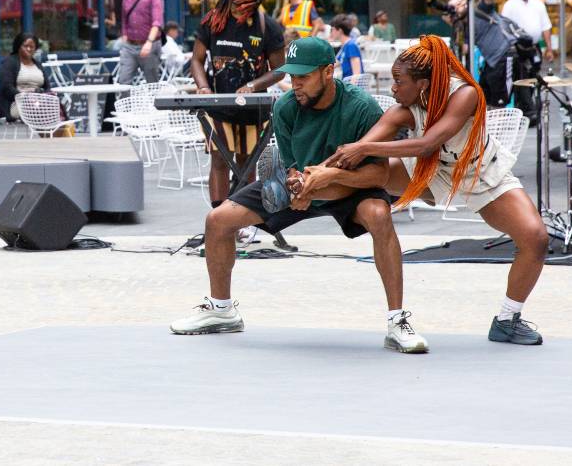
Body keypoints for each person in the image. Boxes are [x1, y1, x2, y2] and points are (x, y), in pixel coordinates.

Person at [170, 35, 427, 354]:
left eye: (303, 76)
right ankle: (222, 311)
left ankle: (396, 322)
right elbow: (289, 165)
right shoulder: (286, 106)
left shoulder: (362, 107)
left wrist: (328, 178)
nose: (296, 84)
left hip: (348, 186)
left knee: (379, 215)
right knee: (218, 220)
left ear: (328, 71)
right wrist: (297, 187)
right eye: (292, 76)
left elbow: (380, 174)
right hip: (301, 181)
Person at [328, 36, 550, 345]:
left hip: (478, 173)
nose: (393, 88)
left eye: (398, 81)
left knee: (536, 238)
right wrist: (321, 170)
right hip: (430, 171)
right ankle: (305, 190)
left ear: (422, 84)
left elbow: (426, 143)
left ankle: (507, 320)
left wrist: (363, 146)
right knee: (365, 174)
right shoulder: (404, 109)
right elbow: (359, 150)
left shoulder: (465, 93)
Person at [191, 0, 287, 206]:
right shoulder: (214, 20)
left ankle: (239, 218)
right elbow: (196, 60)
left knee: (246, 162)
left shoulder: (268, 26)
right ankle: (218, 215)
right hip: (218, 106)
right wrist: (203, 87)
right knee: (220, 159)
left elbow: (280, 68)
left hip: (252, 108)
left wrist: (253, 85)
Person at [470, 0, 525, 108]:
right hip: (491, 61)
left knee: (501, 99)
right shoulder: (463, 22)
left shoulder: (480, 10)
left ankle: (505, 123)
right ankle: (492, 123)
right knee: (485, 97)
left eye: (458, 4)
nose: (455, 9)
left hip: (505, 55)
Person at [114, 0, 164, 85]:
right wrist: (125, 36)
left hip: (149, 44)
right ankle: (125, 104)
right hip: (129, 46)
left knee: (152, 82)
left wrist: (149, 42)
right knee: (123, 81)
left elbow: (157, 23)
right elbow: (125, 21)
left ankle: (153, 105)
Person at [0, 31, 51, 120]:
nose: (29, 49)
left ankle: (55, 132)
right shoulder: (9, 63)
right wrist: (27, 97)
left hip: (37, 102)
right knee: (46, 112)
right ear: (18, 46)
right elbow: (6, 87)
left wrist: (44, 96)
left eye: (32, 47)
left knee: (55, 109)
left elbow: (47, 87)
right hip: (15, 103)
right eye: (25, 46)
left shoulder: (37, 65)